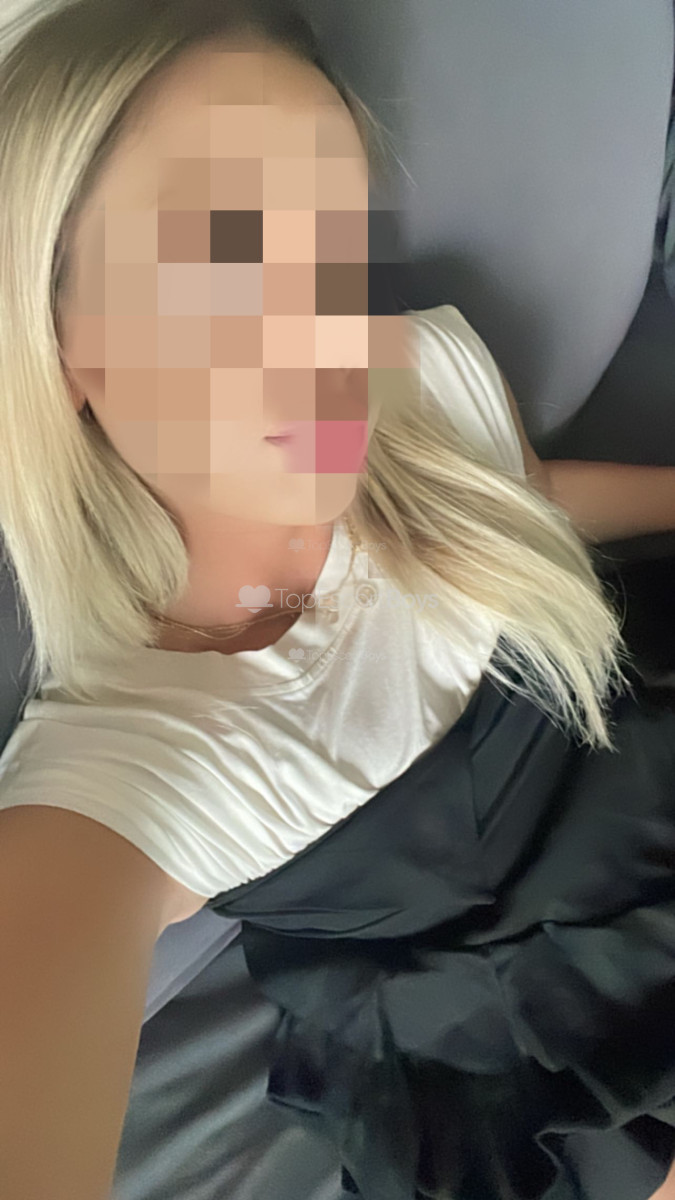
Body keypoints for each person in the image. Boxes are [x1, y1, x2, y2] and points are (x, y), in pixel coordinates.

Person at [0, 1, 673, 1198]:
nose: (325, 334)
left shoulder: (417, 371)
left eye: (336, 250)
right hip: (548, 1041)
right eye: (226, 260)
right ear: (68, 341)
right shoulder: (130, 770)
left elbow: (520, 502)